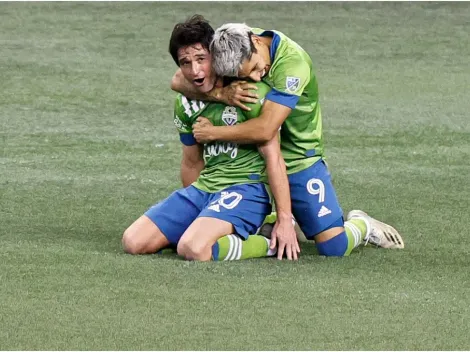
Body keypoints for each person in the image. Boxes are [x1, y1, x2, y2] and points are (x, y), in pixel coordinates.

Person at [172, 22, 404, 257]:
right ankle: (276, 218)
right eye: (244, 76)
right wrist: (220, 94)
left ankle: (362, 225)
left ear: (256, 42)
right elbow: (178, 80)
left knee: (333, 247)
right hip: (253, 157)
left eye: (254, 68)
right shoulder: (233, 43)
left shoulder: (293, 65)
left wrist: (213, 133)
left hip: (297, 156)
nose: (255, 77)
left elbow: (265, 130)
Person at [122, 16, 298, 261]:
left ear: (215, 55)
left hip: (246, 190)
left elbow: (275, 159)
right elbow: (192, 162)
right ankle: (206, 231)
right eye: (186, 62)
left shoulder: (250, 92)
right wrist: (197, 214)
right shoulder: (185, 102)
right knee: (133, 241)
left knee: (193, 248)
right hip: (204, 189)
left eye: (201, 59)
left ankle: (267, 242)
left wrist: (284, 219)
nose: (195, 71)